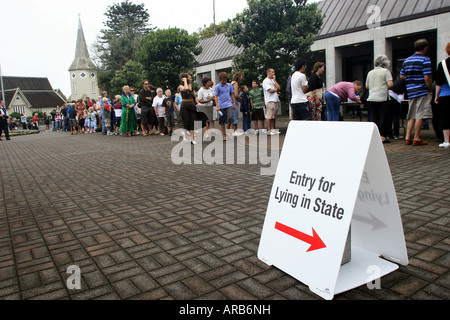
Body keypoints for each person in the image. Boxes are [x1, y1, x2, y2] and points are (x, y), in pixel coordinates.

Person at [400, 39, 433, 146]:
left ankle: (407, 137)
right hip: (421, 90)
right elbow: (427, 76)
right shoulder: (425, 60)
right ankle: (417, 138)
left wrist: (410, 79)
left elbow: (402, 76)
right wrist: (430, 88)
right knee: (419, 114)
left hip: (410, 90)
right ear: (425, 48)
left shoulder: (407, 60)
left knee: (411, 114)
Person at [366, 55, 394, 143]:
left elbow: (367, 86)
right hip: (382, 97)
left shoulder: (370, 72)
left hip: (372, 97)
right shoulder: (386, 71)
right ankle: (382, 136)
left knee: (374, 118)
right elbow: (390, 84)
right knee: (383, 117)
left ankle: (374, 136)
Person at [435, 42, 450, 149]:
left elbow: (438, 83)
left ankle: (446, 141)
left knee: (445, 117)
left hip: (445, 94)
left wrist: (436, 96)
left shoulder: (443, 64)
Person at [214, 72, 236, 141]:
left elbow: (232, 94)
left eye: (225, 79)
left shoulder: (229, 85)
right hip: (221, 106)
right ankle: (224, 135)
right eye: (223, 80)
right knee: (222, 121)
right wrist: (217, 106)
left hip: (229, 104)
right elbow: (216, 96)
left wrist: (234, 103)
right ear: (220, 79)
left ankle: (228, 130)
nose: (224, 81)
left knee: (230, 118)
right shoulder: (218, 86)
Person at [178, 73, 199, 144]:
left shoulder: (192, 87)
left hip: (192, 106)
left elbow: (194, 95)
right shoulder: (181, 86)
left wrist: (197, 102)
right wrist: (185, 82)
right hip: (184, 107)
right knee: (186, 122)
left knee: (192, 122)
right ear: (185, 79)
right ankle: (185, 136)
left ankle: (192, 139)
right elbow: (186, 89)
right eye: (189, 78)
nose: (191, 79)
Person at [263, 68, 281, 135]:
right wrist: (275, 90)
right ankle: (269, 130)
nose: (274, 73)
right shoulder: (265, 81)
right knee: (269, 116)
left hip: (275, 100)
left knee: (273, 116)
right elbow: (270, 90)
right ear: (268, 73)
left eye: (274, 72)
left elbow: (278, 87)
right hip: (270, 100)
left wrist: (275, 80)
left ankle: (273, 129)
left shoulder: (272, 81)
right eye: (272, 72)